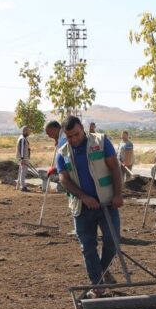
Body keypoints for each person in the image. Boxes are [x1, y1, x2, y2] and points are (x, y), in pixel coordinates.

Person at [57, 116, 125, 296]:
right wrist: (84, 197)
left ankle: (100, 274)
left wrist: (118, 194)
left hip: (107, 203)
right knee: (88, 246)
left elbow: (114, 168)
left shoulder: (101, 142)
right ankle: (98, 286)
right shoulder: (63, 152)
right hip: (82, 207)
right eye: (69, 136)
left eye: (77, 134)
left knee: (112, 241)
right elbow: (63, 178)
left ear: (83, 128)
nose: (74, 139)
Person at [16, 125, 31, 192]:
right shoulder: (22, 139)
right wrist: (22, 159)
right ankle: (23, 187)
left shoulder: (23, 138)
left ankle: (18, 186)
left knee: (21, 171)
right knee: (23, 172)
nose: (29, 132)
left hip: (23, 157)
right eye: (28, 131)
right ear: (25, 131)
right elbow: (21, 149)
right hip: (23, 158)